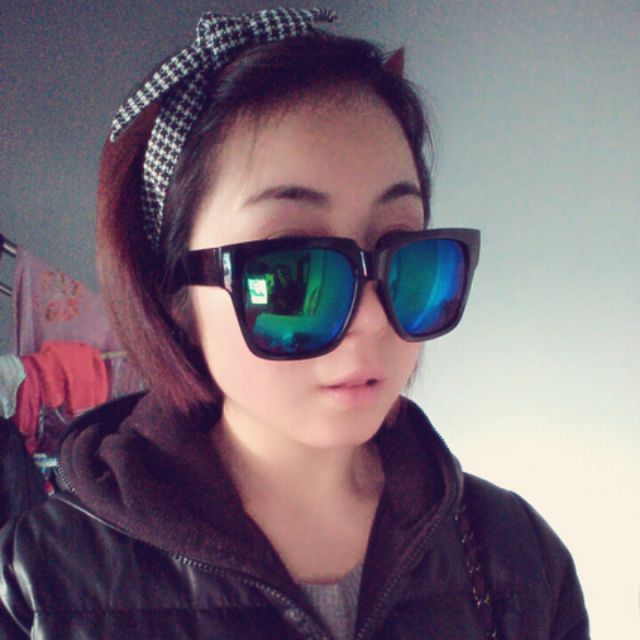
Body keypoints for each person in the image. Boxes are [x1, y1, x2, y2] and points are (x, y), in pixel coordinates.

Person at [0, 7, 589, 639]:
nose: (372, 320)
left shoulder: (522, 558)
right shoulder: (39, 585)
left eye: (403, 246)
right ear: (175, 294)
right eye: (288, 270)